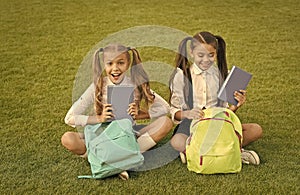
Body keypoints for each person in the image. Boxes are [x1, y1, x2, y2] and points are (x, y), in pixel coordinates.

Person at [61, 44, 173, 180]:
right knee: (68, 138)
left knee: (166, 122)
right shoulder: (98, 86)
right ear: (104, 65)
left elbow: (165, 108)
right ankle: (121, 160)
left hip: (127, 136)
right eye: (110, 63)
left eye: (120, 63)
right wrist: (99, 118)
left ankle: (114, 160)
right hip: (100, 137)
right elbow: (69, 118)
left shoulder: (135, 84)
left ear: (128, 63)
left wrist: (141, 114)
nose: (115, 68)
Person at [169, 31, 263, 165]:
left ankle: (195, 152)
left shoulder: (223, 75)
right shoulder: (181, 76)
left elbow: (226, 112)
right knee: (176, 141)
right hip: (191, 126)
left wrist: (234, 106)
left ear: (216, 53)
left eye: (211, 55)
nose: (206, 60)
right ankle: (232, 151)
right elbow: (175, 113)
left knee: (255, 130)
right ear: (191, 52)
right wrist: (188, 113)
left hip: (217, 123)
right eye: (200, 55)